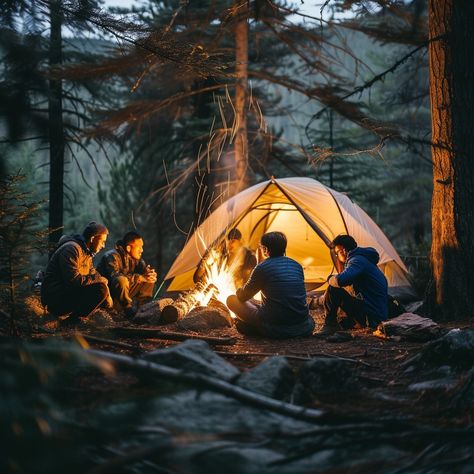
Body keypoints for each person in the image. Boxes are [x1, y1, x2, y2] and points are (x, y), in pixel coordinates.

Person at [226, 231, 314, 338]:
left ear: (265, 250)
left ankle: (259, 329)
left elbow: (243, 296)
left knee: (231, 299)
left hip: (274, 323)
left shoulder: (262, 267)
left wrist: (238, 289)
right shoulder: (297, 265)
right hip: (302, 323)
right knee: (257, 303)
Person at [41, 222, 112, 325]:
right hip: (54, 299)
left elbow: (94, 274)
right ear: (92, 239)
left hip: (65, 294)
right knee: (100, 290)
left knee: (102, 289)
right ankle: (70, 323)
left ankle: (78, 319)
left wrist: (106, 289)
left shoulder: (87, 253)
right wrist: (102, 283)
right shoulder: (71, 249)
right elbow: (73, 280)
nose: (103, 246)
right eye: (102, 242)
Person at [316, 234, 388, 336]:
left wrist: (330, 278)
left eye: (337, 253)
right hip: (376, 312)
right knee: (343, 317)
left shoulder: (357, 260)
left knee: (333, 289)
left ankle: (330, 324)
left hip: (372, 317)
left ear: (343, 250)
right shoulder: (363, 259)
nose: (337, 256)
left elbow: (341, 281)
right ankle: (351, 322)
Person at [97, 231, 157, 318]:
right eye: (139, 247)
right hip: (108, 298)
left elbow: (144, 275)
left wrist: (150, 274)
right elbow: (115, 277)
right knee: (121, 280)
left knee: (148, 279)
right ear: (128, 248)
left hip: (121, 298)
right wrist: (140, 278)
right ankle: (128, 310)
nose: (142, 250)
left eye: (142, 247)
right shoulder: (111, 256)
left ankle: (143, 309)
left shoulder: (137, 260)